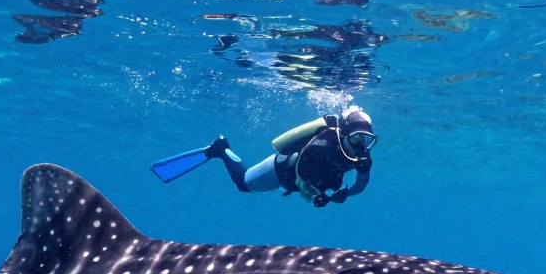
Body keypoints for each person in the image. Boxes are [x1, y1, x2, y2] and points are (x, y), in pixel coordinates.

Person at [150, 107, 376, 207]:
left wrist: (345, 193)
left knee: (283, 191)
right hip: (282, 170)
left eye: (367, 139)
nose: (362, 145)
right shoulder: (322, 145)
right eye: (357, 137)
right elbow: (300, 173)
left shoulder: (363, 157)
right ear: (345, 134)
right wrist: (309, 190)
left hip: (303, 183)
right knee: (244, 184)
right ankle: (221, 150)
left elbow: (360, 185)